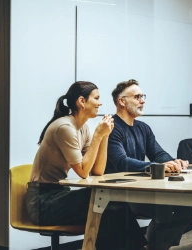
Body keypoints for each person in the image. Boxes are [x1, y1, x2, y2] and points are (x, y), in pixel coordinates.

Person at [26, 81, 147, 250]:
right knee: (105, 203)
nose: (100, 103)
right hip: (41, 202)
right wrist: (98, 135)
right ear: (82, 101)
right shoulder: (65, 127)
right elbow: (83, 172)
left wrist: (105, 136)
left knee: (112, 203)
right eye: (96, 98)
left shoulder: (82, 129)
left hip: (58, 195)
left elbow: (97, 170)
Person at [105, 79, 192, 250]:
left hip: (142, 188)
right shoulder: (112, 128)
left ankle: (159, 247)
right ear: (122, 101)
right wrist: (156, 167)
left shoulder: (143, 128)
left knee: (188, 207)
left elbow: (158, 153)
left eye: (143, 96)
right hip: (121, 193)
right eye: (137, 96)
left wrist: (173, 161)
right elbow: (121, 162)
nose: (143, 100)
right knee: (164, 208)